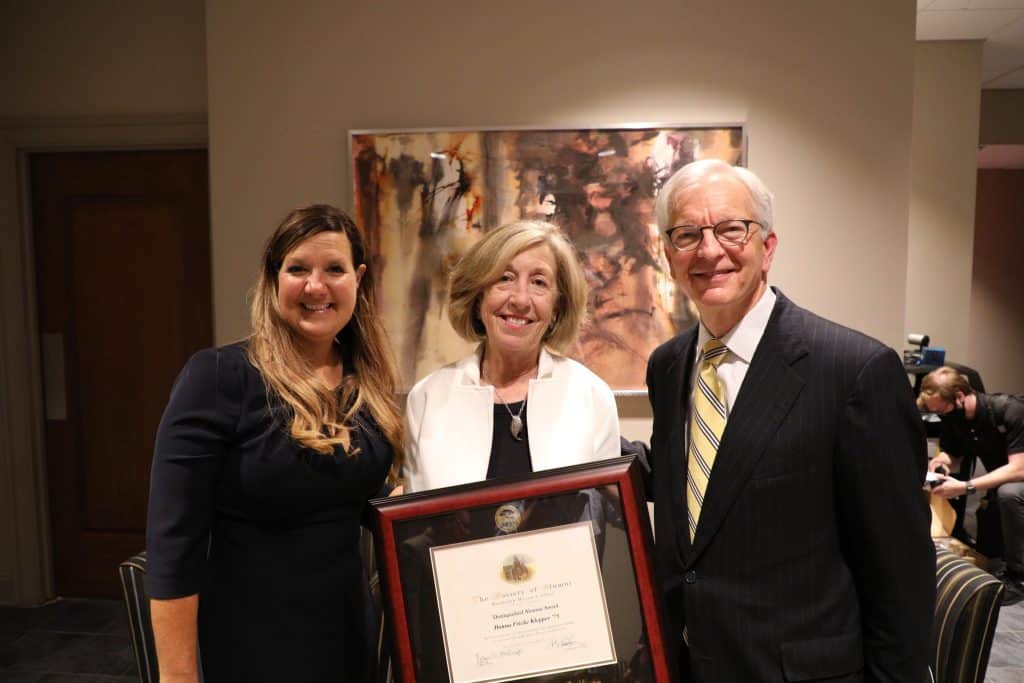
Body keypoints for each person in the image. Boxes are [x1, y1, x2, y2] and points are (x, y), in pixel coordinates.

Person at [645, 159, 933, 682]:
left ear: (767, 247)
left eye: (732, 228)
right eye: (687, 234)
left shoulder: (853, 370)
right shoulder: (667, 367)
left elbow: (901, 575)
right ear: (668, 255)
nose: (710, 251)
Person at [145, 205, 403, 682]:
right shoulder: (220, 376)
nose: (316, 286)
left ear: (358, 278)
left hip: (348, 631)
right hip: (252, 639)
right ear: (273, 278)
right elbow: (172, 543)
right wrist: (177, 677)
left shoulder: (368, 383)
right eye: (297, 269)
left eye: (334, 269)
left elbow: (339, 490)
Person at [403, 219, 620, 492]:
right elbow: (415, 526)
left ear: (557, 306)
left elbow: (601, 520)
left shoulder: (591, 396)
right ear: (478, 294)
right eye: (504, 278)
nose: (520, 299)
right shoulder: (427, 398)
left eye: (539, 282)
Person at [919, 366, 1024, 604]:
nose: (942, 417)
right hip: (1008, 476)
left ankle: (1019, 578)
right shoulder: (955, 418)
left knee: (1009, 493)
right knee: (988, 550)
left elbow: (1019, 469)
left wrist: (966, 486)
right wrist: (939, 465)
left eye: (942, 410)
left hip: (1019, 476)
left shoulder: (1010, 410)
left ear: (959, 396)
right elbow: (951, 453)